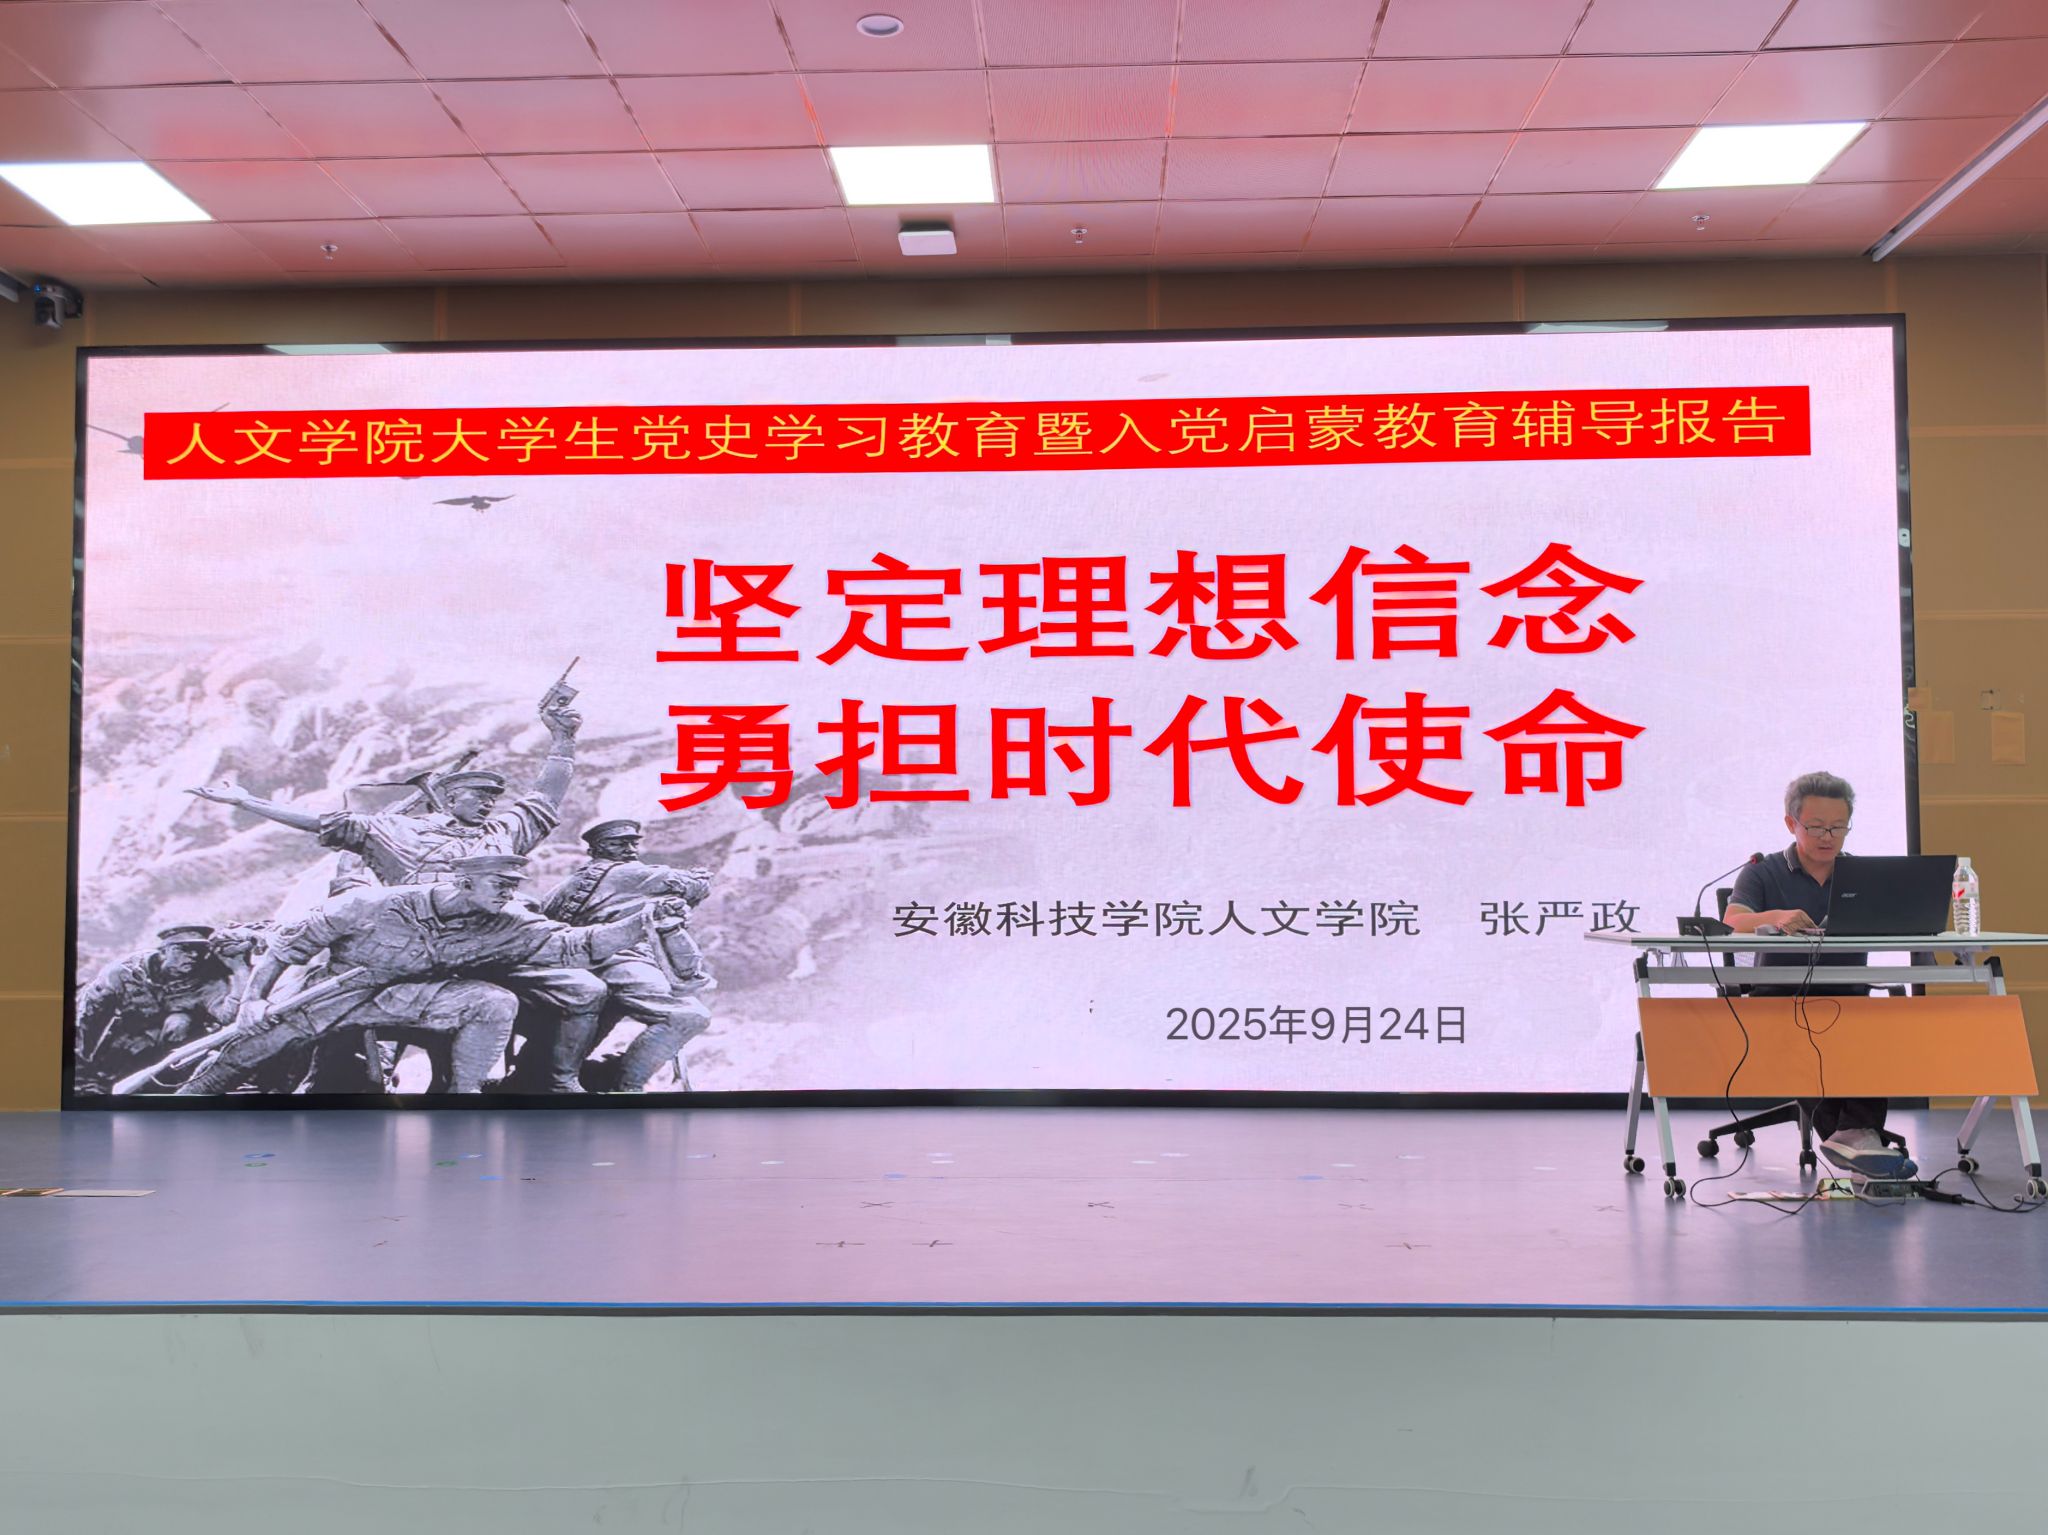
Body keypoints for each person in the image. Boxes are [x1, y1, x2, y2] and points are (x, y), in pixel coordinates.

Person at [176, 854, 690, 1096]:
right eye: (499, 884)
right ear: (464, 883)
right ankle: (187, 1099)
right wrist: (254, 1001)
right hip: (335, 991)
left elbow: (577, 945)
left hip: (413, 995)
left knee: (492, 1001)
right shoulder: (370, 904)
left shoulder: (506, 921)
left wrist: (643, 921)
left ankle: (464, 1097)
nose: (509, 893)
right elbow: (289, 947)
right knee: (242, 1055)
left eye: (512, 885)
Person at [1722, 770, 1914, 1179]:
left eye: (1838, 827)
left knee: (1875, 1030)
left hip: (1848, 996)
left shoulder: (1863, 874)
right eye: (1816, 827)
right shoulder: (1763, 871)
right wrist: (1776, 917)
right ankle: (1858, 1137)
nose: (1828, 837)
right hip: (1781, 999)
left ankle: (1855, 1136)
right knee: (1808, 1034)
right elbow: (1733, 919)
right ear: (1791, 823)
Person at [185, 695, 581, 885]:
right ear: (449, 798)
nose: (487, 806)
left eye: (492, 800)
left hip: (494, 927)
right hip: (413, 926)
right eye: (479, 797)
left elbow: (545, 795)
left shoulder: (503, 832)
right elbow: (318, 822)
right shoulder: (398, 828)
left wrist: (563, 738)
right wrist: (247, 801)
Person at [540, 819, 715, 1092]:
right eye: (620, 844)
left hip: (577, 968)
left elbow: (544, 918)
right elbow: (695, 886)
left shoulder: (567, 884)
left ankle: (587, 1075)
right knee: (688, 1016)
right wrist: (699, 877)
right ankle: (625, 1087)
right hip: (621, 962)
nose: (631, 850)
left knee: (586, 1036)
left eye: (633, 843)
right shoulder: (627, 872)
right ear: (597, 849)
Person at [74, 925, 253, 1094]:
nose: (193, 955)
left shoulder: (204, 982)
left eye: (200, 950)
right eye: (183, 949)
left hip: (167, 1050)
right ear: (164, 950)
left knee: (179, 1022)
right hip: (119, 1042)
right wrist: (81, 1073)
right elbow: (87, 1018)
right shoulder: (123, 973)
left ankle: (165, 1084)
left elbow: (230, 1017)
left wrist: (239, 970)